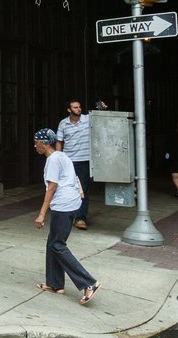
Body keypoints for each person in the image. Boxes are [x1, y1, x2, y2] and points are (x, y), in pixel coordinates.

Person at [33, 128, 101, 305]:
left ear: (44, 143)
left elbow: (52, 188)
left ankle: (89, 283)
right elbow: (74, 176)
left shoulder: (53, 160)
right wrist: (79, 191)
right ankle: (55, 284)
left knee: (57, 244)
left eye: (36, 142)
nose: (35, 146)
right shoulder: (62, 156)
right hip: (71, 203)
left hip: (63, 206)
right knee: (52, 242)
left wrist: (41, 214)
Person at [55, 99, 103, 230]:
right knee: (67, 188)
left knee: (83, 190)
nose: (78, 109)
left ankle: (80, 218)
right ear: (69, 110)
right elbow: (59, 141)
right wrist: (58, 158)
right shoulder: (63, 123)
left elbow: (99, 117)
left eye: (79, 107)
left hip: (83, 161)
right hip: (68, 161)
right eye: (75, 107)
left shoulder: (87, 120)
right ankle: (67, 215)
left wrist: (101, 107)